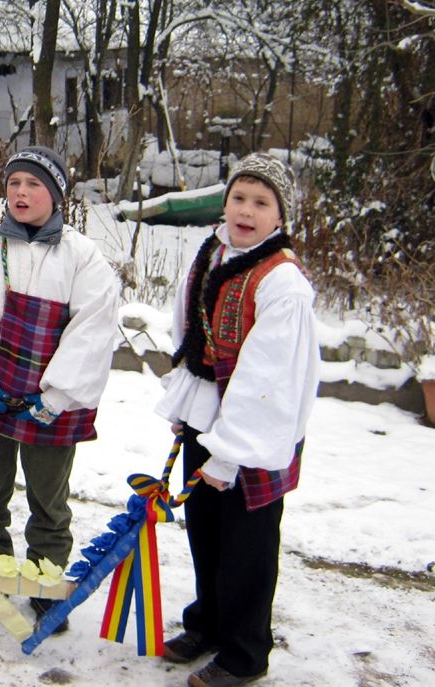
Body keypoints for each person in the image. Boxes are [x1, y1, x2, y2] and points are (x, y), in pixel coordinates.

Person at [0, 146, 120, 632]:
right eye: (14, 184)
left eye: (33, 185)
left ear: (54, 194)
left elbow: (93, 327)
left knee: (48, 501)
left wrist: (56, 398)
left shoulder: (82, 257)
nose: (21, 193)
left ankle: (45, 582)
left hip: (53, 405)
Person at [155, 153, 320, 687]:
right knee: (205, 529)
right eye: (239, 198)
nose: (246, 211)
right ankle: (209, 623)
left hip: (255, 435)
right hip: (209, 417)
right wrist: (187, 406)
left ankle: (246, 652)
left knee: (247, 544)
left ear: (280, 217)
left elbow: (268, 380)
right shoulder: (212, 252)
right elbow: (190, 333)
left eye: (261, 202)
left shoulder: (282, 283)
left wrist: (230, 451)